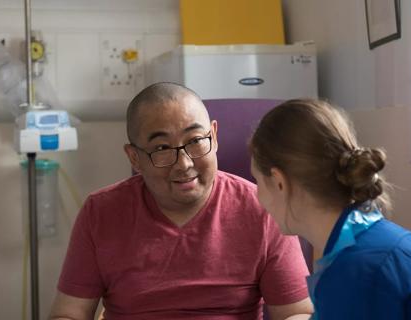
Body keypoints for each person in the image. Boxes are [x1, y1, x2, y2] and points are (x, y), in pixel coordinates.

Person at [49, 83, 313, 320]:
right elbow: (69, 314)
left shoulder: (262, 209)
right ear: (134, 158)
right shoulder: (101, 213)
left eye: (196, 141)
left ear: (214, 135)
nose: (184, 164)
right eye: (162, 148)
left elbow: (296, 312)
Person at [249, 99, 411, 319]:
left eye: (257, 180)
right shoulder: (377, 241)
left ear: (279, 183)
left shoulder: (354, 275)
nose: (257, 196)